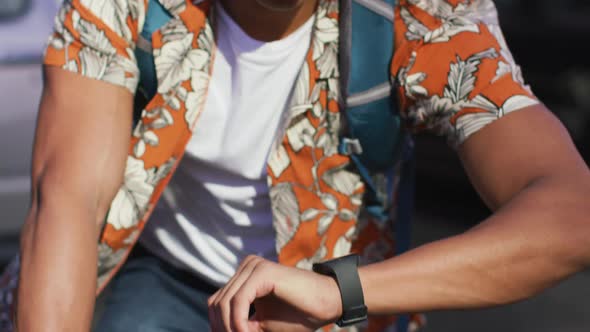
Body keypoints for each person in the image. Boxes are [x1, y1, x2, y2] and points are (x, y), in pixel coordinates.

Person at [0, 0, 589, 331]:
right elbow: (67, 207)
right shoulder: (123, 7)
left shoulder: (422, 15)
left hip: (336, 295)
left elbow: (573, 216)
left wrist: (339, 292)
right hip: (165, 275)